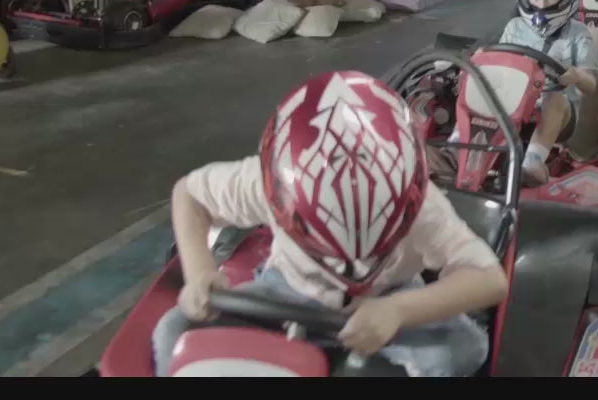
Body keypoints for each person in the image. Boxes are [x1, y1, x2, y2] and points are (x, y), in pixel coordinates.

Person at [151, 71, 510, 377]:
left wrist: (399, 311)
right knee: (174, 330)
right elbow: (190, 194)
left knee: (466, 349)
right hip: (287, 290)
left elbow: (490, 280)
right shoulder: (269, 180)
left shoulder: (423, 204)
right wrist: (199, 272)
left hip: (388, 298)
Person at [499, 0, 598, 185]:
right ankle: (456, 149)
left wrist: (576, 75)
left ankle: (533, 163)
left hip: (561, 111)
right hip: (517, 102)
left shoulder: (579, 34)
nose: (542, 5)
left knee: (553, 99)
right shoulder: (514, 27)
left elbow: (591, 85)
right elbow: (500, 65)